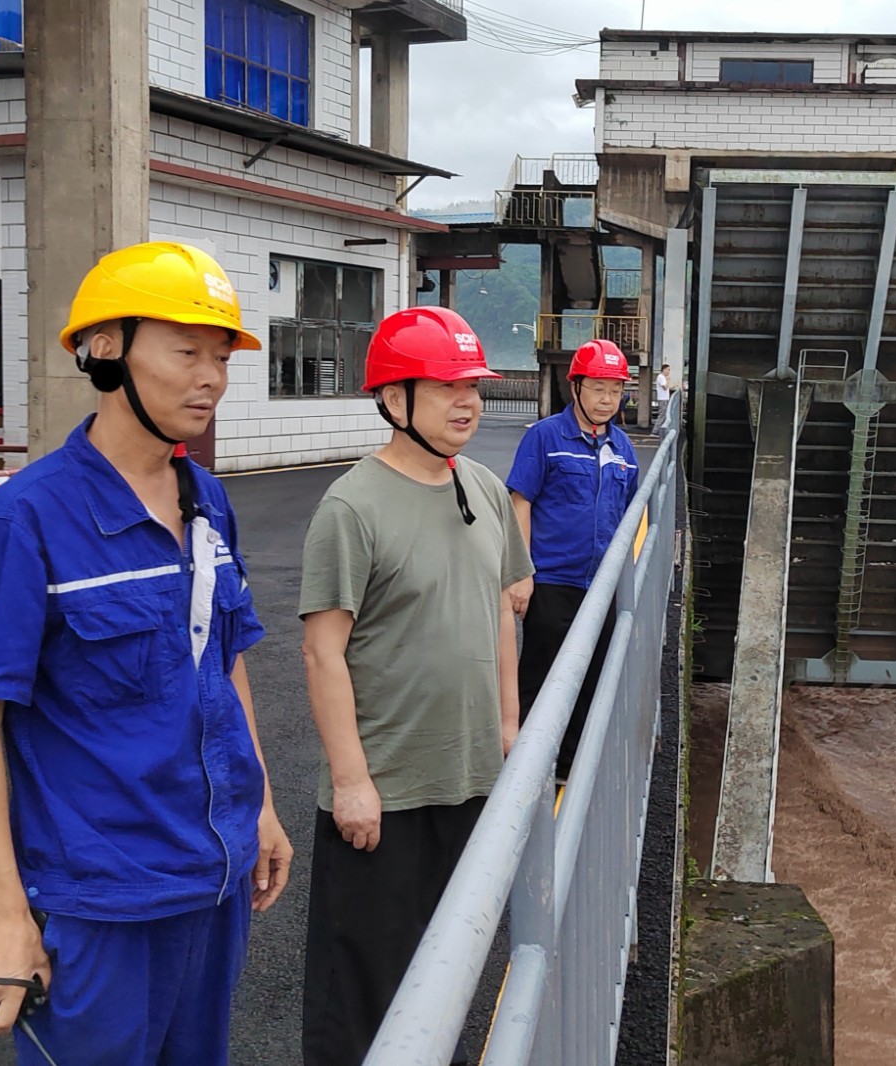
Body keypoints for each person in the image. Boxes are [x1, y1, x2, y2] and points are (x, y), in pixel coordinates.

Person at [0, 242, 292, 1065]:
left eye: (221, 357)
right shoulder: (27, 519)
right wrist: (0, 914)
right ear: (106, 350)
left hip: (212, 885)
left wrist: (261, 805)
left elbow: (223, 663)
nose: (211, 378)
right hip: (102, 904)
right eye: (186, 352)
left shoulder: (207, 502)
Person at [299, 306, 533, 1066]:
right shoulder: (351, 507)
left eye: (473, 386)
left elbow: (501, 611)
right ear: (393, 399)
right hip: (387, 792)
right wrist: (351, 783)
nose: (468, 402)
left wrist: (509, 728)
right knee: (363, 996)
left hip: (469, 777)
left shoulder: (485, 489)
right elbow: (322, 653)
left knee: (450, 979)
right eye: (445, 387)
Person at [506, 338, 640, 779]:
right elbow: (520, 502)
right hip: (552, 580)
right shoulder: (545, 437)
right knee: (541, 673)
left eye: (616, 390)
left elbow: (629, 516)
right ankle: (523, 768)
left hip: (601, 585)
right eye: (598, 388)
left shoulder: (623, 449)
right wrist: (521, 573)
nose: (607, 400)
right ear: (575, 387)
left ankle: (569, 765)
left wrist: (625, 580)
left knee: (592, 674)